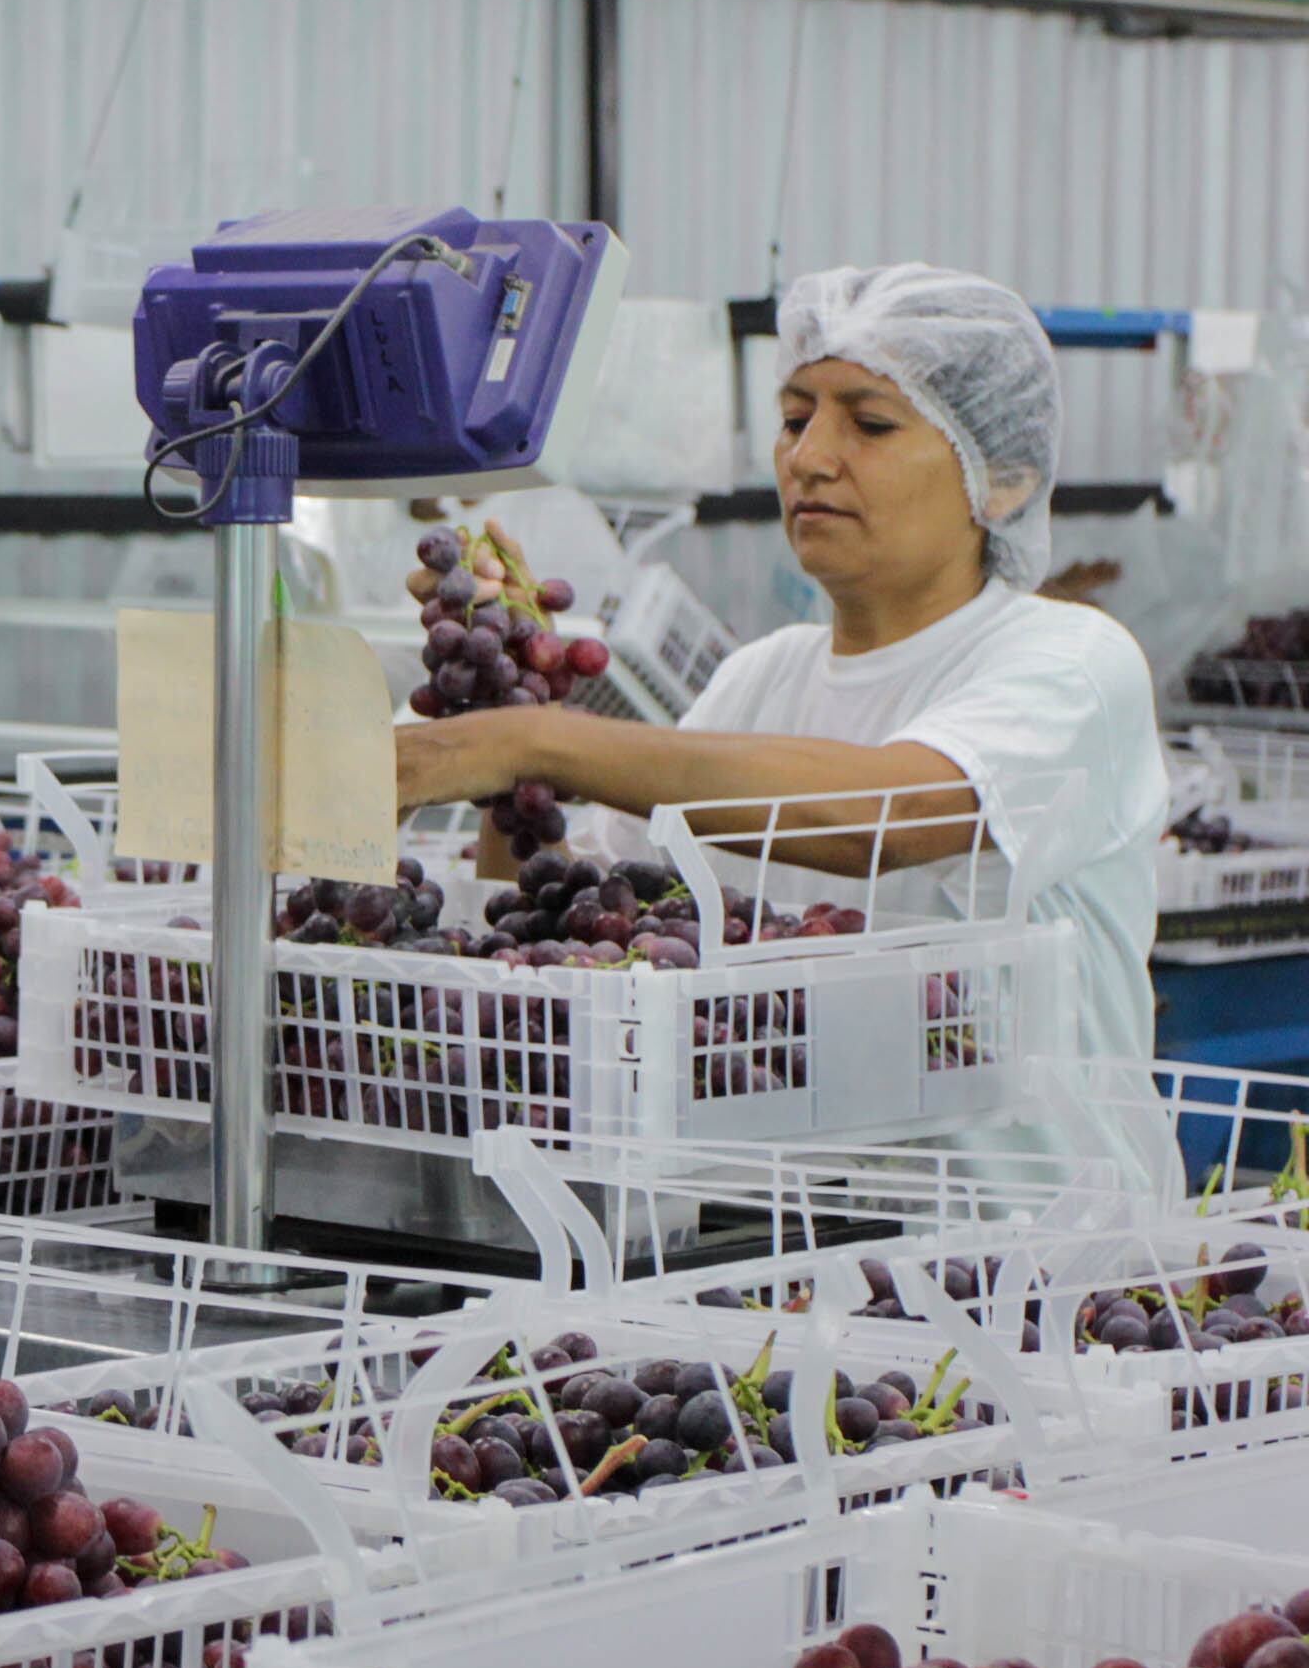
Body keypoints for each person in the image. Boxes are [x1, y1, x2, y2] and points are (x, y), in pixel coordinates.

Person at [395, 262, 1170, 1182]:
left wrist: (539, 741)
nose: (809, 458)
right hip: (788, 1258)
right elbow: (550, 910)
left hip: (1034, 1268)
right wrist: (505, 718)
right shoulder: (761, 678)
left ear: (1001, 480)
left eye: (870, 423)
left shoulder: (1068, 661)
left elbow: (889, 818)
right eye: (796, 418)